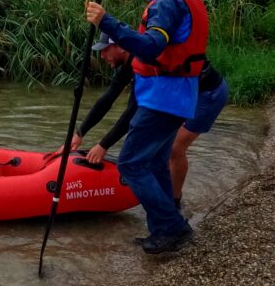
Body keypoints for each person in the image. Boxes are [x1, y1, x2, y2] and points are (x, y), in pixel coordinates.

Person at [85, 0, 208, 254]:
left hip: (163, 100)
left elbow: (152, 47)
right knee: (154, 163)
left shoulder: (167, 3)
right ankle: (163, 230)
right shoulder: (180, 0)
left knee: (130, 164)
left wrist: (106, 22)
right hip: (176, 98)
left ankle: (173, 228)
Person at [72, 32, 229, 210]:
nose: (101, 56)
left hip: (207, 95)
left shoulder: (143, 62)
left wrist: (103, 145)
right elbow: (107, 99)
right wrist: (80, 133)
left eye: (105, 50)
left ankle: (174, 203)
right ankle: (165, 201)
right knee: (159, 152)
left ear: (121, 47)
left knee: (174, 149)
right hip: (183, 97)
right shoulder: (128, 63)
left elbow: (132, 111)